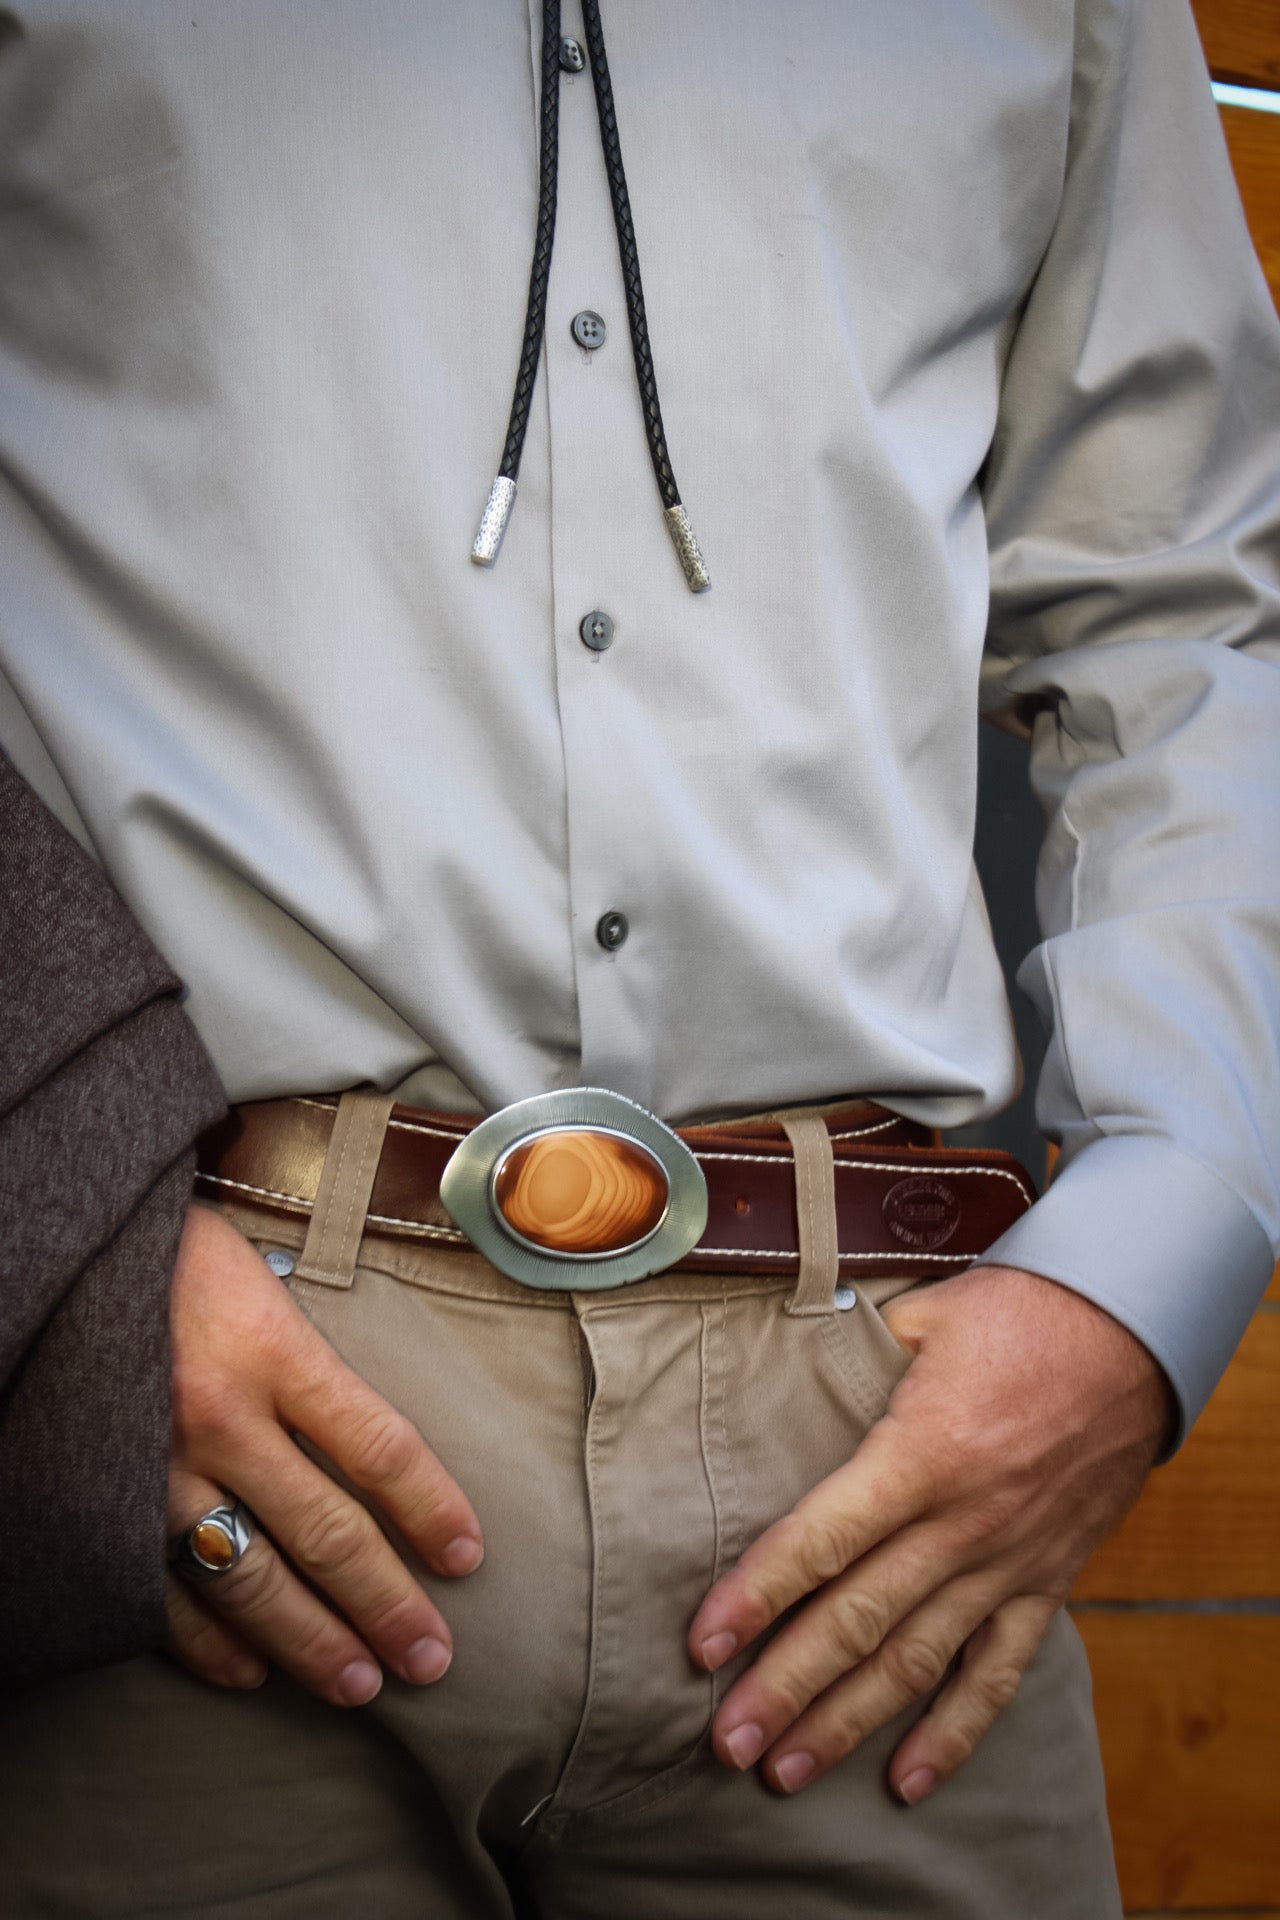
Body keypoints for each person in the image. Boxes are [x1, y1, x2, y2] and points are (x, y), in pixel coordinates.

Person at [1, 0, 1277, 1914]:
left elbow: (1195, 603)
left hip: (886, 1454)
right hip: (199, 1399)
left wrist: (1159, 1253)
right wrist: (52, 1236)